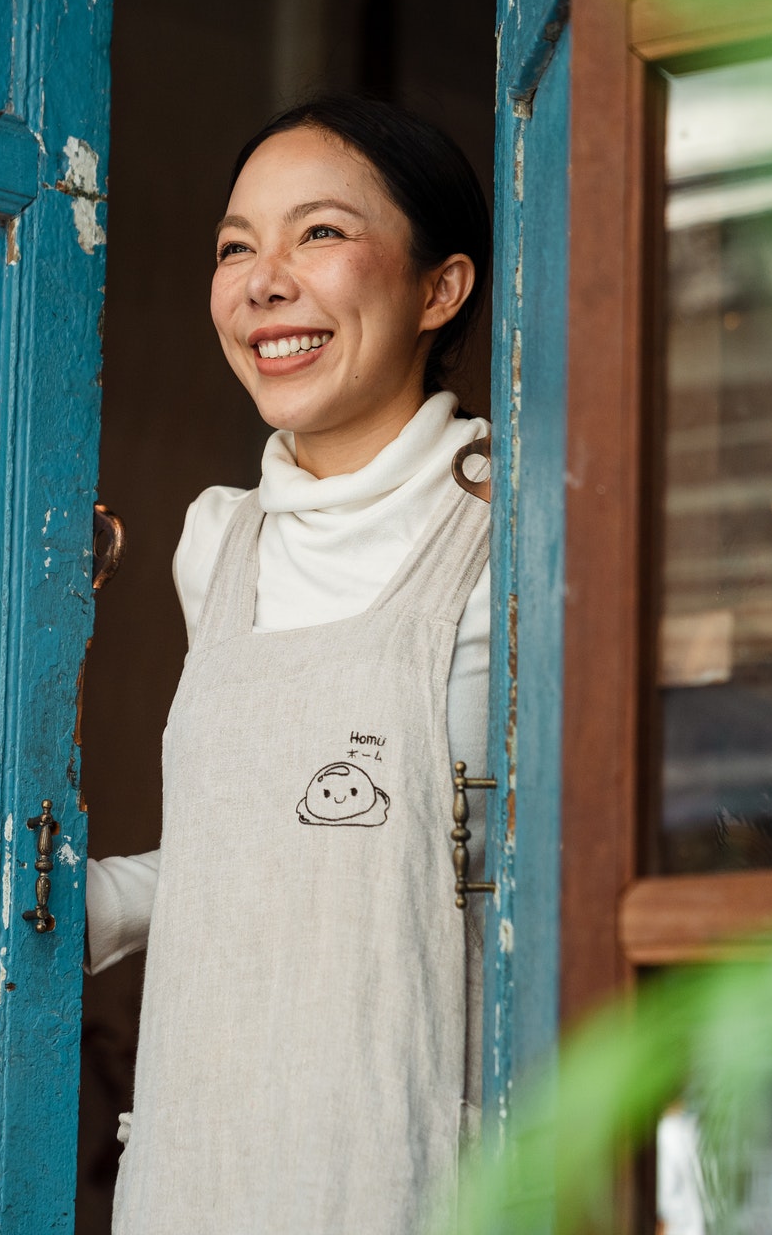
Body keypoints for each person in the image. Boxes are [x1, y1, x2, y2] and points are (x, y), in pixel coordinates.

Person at [85, 94, 493, 1235]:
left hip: (413, 1170)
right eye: (234, 245)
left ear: (438, 287)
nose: (263, 280)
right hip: (204, 1165)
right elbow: (272, 846)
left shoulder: (513, 530)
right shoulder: (218, 541)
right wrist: (67, 903)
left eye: (318, 233)